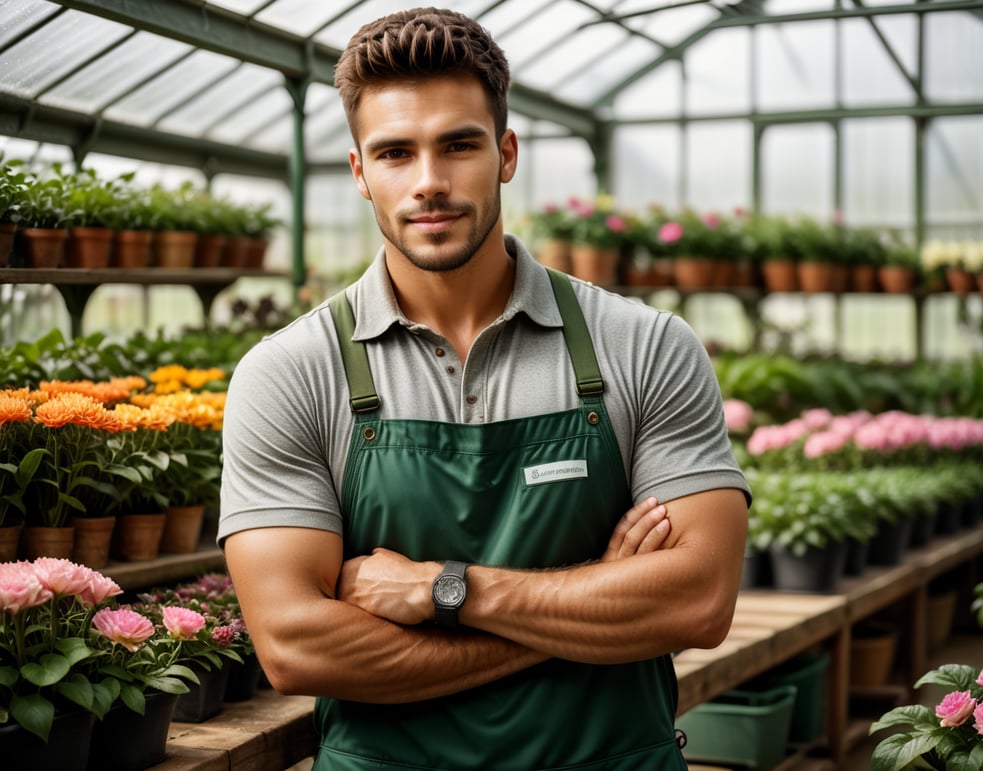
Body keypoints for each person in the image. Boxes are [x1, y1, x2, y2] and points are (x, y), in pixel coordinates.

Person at [219, 7, 750, 770]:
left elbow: (698, 600)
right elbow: (295, 646)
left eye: (458, 145)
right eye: (396, 152)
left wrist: (447, 591)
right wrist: (594, 598)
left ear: (505, 153)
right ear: (361, 171)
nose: (429, 182)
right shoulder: (292, 371)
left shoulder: (644, 346)